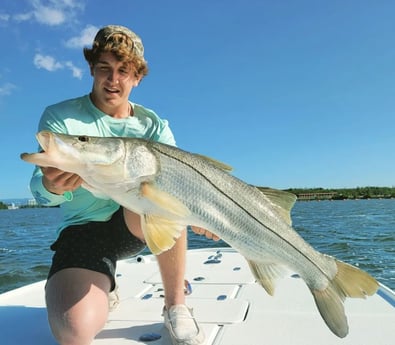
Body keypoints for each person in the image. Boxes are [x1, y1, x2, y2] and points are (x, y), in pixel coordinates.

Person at [29, 25, 219, 345]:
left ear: (137, 77)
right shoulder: (60, 118)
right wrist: (53, 185)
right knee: (72, 331)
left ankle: (175, 306)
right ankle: (105, 287)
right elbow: (41, 192)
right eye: (104, 68)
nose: (113, 80)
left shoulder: (153, 125)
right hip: (83, 230)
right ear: (91, 69)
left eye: (123, 71)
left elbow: (181, 180)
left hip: (136, 220)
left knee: (161, 196)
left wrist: (203, 214)